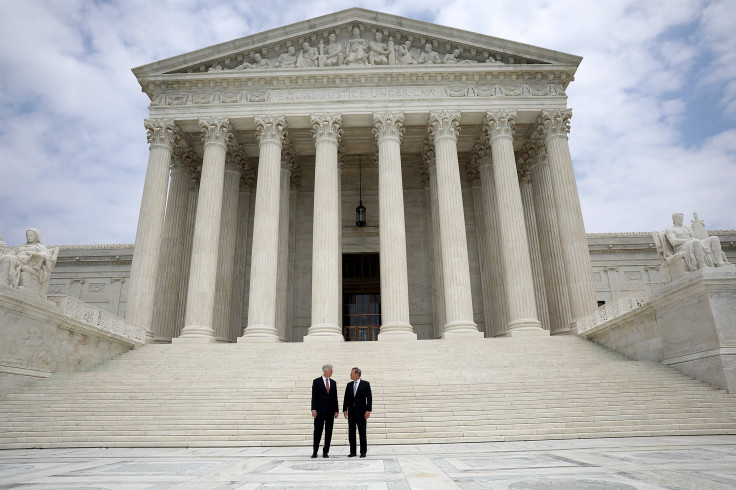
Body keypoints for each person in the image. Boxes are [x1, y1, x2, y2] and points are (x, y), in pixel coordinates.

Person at [0, 228, 57, 293]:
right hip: (17, 258)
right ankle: (4, 282)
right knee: (6, 257)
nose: (29, 237)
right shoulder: (22, 246)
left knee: (8, 258)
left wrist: (34, 254)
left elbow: (46, 255)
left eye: (31, 235)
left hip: (28, 261)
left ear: (36, 236)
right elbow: (10, 254)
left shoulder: (41, 246)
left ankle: (3, 282)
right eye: (28, 235)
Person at [343, 367, 372, 458]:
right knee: (351, 433)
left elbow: (369, 398)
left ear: (357, 374)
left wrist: (368, 410)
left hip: (361, 413)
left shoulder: (365, 384)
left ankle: (363, 451)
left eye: (351, 373)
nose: (350, 375)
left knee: (362, 432)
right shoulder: (349, 385)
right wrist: (345, 409)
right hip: (351, 413)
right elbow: (346, 398)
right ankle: (353, 451)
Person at [311, 363, 339, 458]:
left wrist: (336, 410)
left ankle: (325, 451)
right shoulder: (316, 382)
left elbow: (335, 397)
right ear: (325, 371)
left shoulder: (333, 382)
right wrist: (313, 409)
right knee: (317, 432)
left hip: (330, 412)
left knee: (328, 432)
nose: (332, 372)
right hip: (319, 412)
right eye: (331, 370)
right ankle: (315, 451)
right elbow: (314, 397)